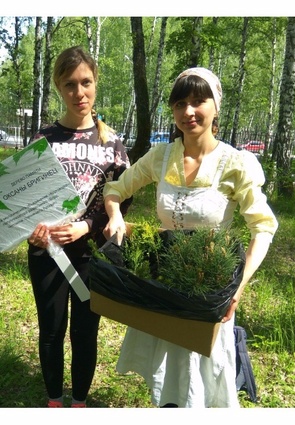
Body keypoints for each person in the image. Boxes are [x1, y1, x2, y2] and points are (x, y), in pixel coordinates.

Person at [102, 67, 278, 407]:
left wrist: (237, 288)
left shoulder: (234, 163)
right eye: (180, 103)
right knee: (168, 376)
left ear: (216, 107)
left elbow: (264, 226)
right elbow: (115, 190)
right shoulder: (161, 156)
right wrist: (116, 216)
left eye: (199, 101)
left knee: (206, 379)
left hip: (209, 287)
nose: (189, 112)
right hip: (164, 283)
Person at [27, 46, 132, 407]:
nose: (79, 93)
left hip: (90, 256)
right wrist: (32, 229)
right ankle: (55, 402)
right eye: (70, 84)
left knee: (85, 333)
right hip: (47, 252)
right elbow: (23, 198)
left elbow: (122, 199)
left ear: (96, 83)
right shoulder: (42, 141)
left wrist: (86, 227)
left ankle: (79, 404)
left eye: (86, 82)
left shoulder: (112, 144)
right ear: (58, 86)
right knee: (52, 331)